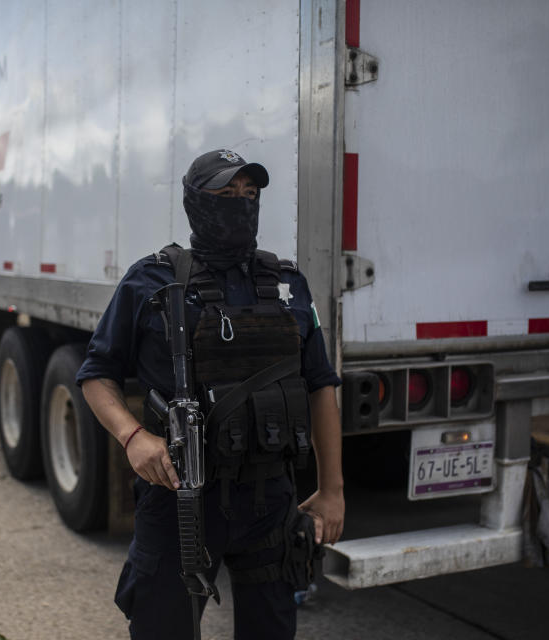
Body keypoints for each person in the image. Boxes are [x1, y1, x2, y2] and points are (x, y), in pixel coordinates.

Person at [76, 148, 345, 640]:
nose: (241, 203)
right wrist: (133, 436)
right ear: (196, 202)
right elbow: (96, 374)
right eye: (226, 193)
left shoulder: (286, 284)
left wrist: (332, 491)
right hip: (180, 496)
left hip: (270, 501)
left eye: (250, 193)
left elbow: (321, 385)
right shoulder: (152, 280)